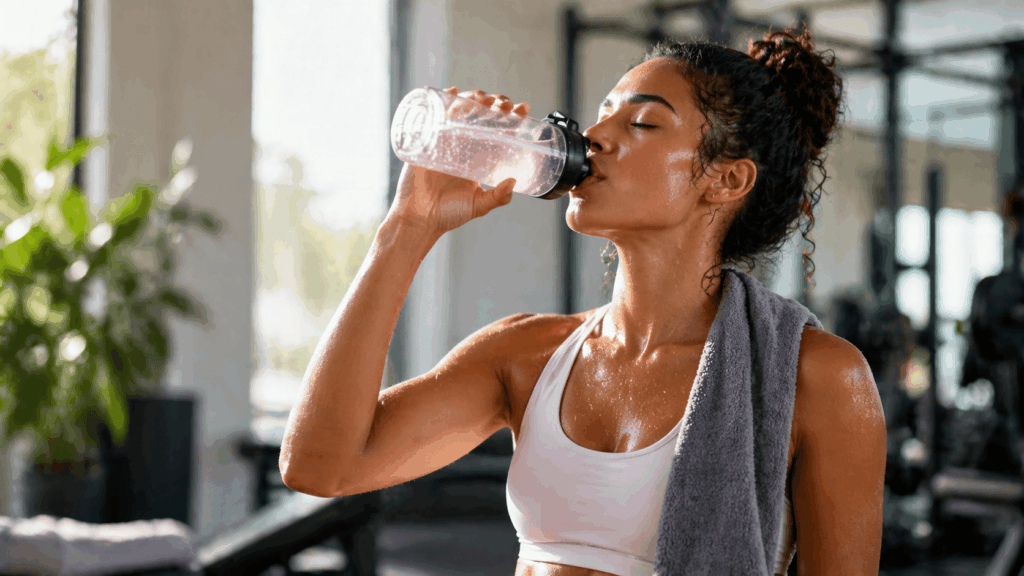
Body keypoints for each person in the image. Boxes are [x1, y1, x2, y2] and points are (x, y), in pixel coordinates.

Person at [279, 28, 887, 576]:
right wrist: (407, 226)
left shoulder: (819, 378)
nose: (594, 138)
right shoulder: (524, 353)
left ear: (725, 180)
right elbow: (320, 465)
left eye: (643, 124)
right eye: (601, 117)